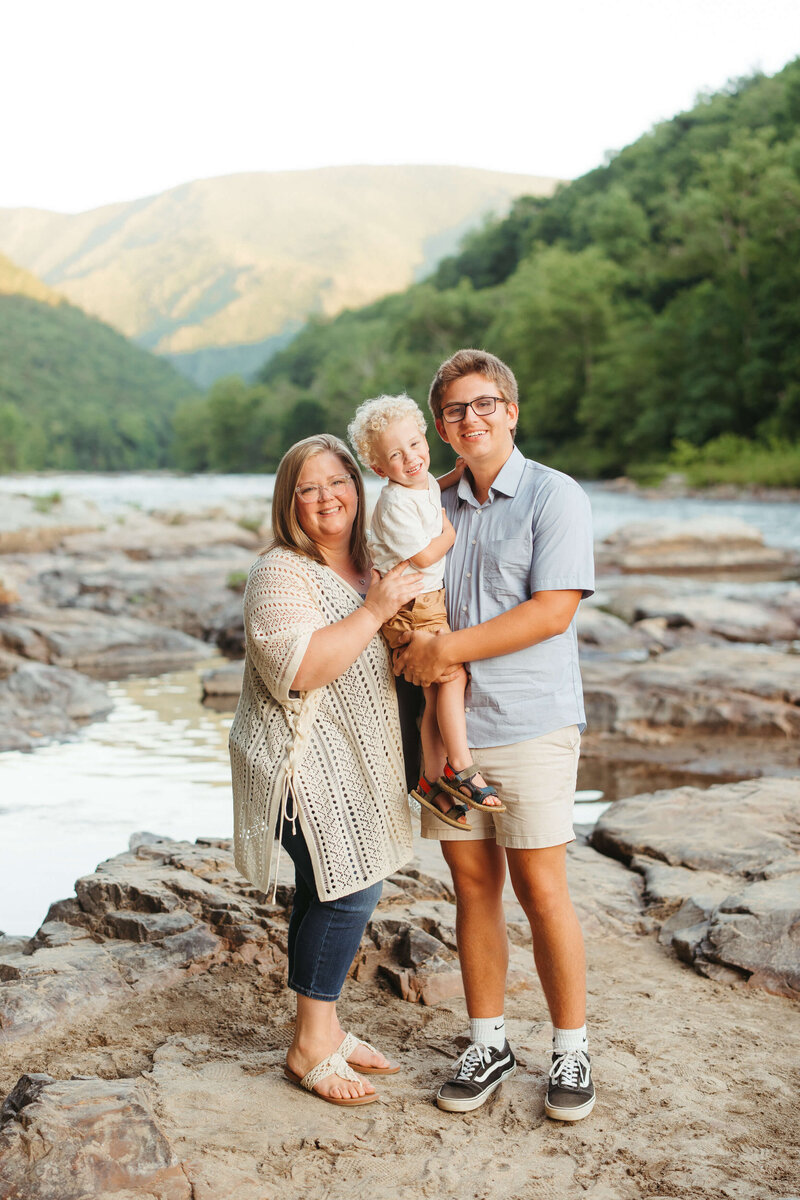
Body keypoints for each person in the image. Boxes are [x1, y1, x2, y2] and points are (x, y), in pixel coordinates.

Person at [393, 349, 596, 1122]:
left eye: (483, 405)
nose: (468, 420)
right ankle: (489, 1042)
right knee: (472, 887)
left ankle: (571, 1051)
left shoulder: (555, 495)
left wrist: (444, 650)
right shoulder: (429, 502)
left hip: (531, 724)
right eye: (453, 411)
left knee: (543, 891)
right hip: (448, 738)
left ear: (512, 410)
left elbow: (553, 610)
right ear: (441, 426)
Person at [229, 434, 423, 1107]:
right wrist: (375, 611)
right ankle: (309, 1046)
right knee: (350, 890)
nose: (326, 498)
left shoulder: (374, 562)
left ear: (357, 487)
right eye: (308, 488)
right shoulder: (280, 571)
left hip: (355, 764)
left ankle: (326, 1027)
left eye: (337, 481)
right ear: (289, 502)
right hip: (297, 765)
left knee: (325, 888)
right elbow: (301, 668)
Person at [347, 393, 504, 832]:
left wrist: (459, 472)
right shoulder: (394, 503)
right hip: (411, 604)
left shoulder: (422, 481)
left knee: (436, 691)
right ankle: (462, 767)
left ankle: (430, 781)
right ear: (380, 470)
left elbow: (436, 481)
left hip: (422, 602)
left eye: (416, 444)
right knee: (452, 676)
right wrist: (449, 533)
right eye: (396, 455)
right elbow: (421, 557)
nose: (411, 458)